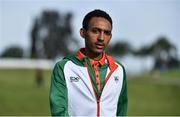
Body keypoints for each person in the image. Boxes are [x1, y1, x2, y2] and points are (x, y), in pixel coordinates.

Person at [49, 9, 128, 116]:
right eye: (95, 31)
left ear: (110, 37)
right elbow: (58, 111)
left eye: (106, 33)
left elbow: (121, 110)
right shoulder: (64, 67)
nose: (101, 38)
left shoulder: (118, 69)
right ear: (83, 33)